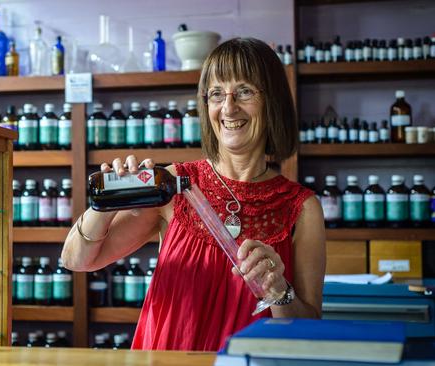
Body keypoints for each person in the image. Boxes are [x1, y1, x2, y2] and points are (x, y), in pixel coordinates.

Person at [61, 38, 325, 351]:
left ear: (273, 102)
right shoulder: (175, 184)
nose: (228, 107)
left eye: (244, 91)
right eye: (216, 93)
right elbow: (75, 260)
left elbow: (308, 331)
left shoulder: (301, 208)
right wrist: (106, 202)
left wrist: (279, 290)